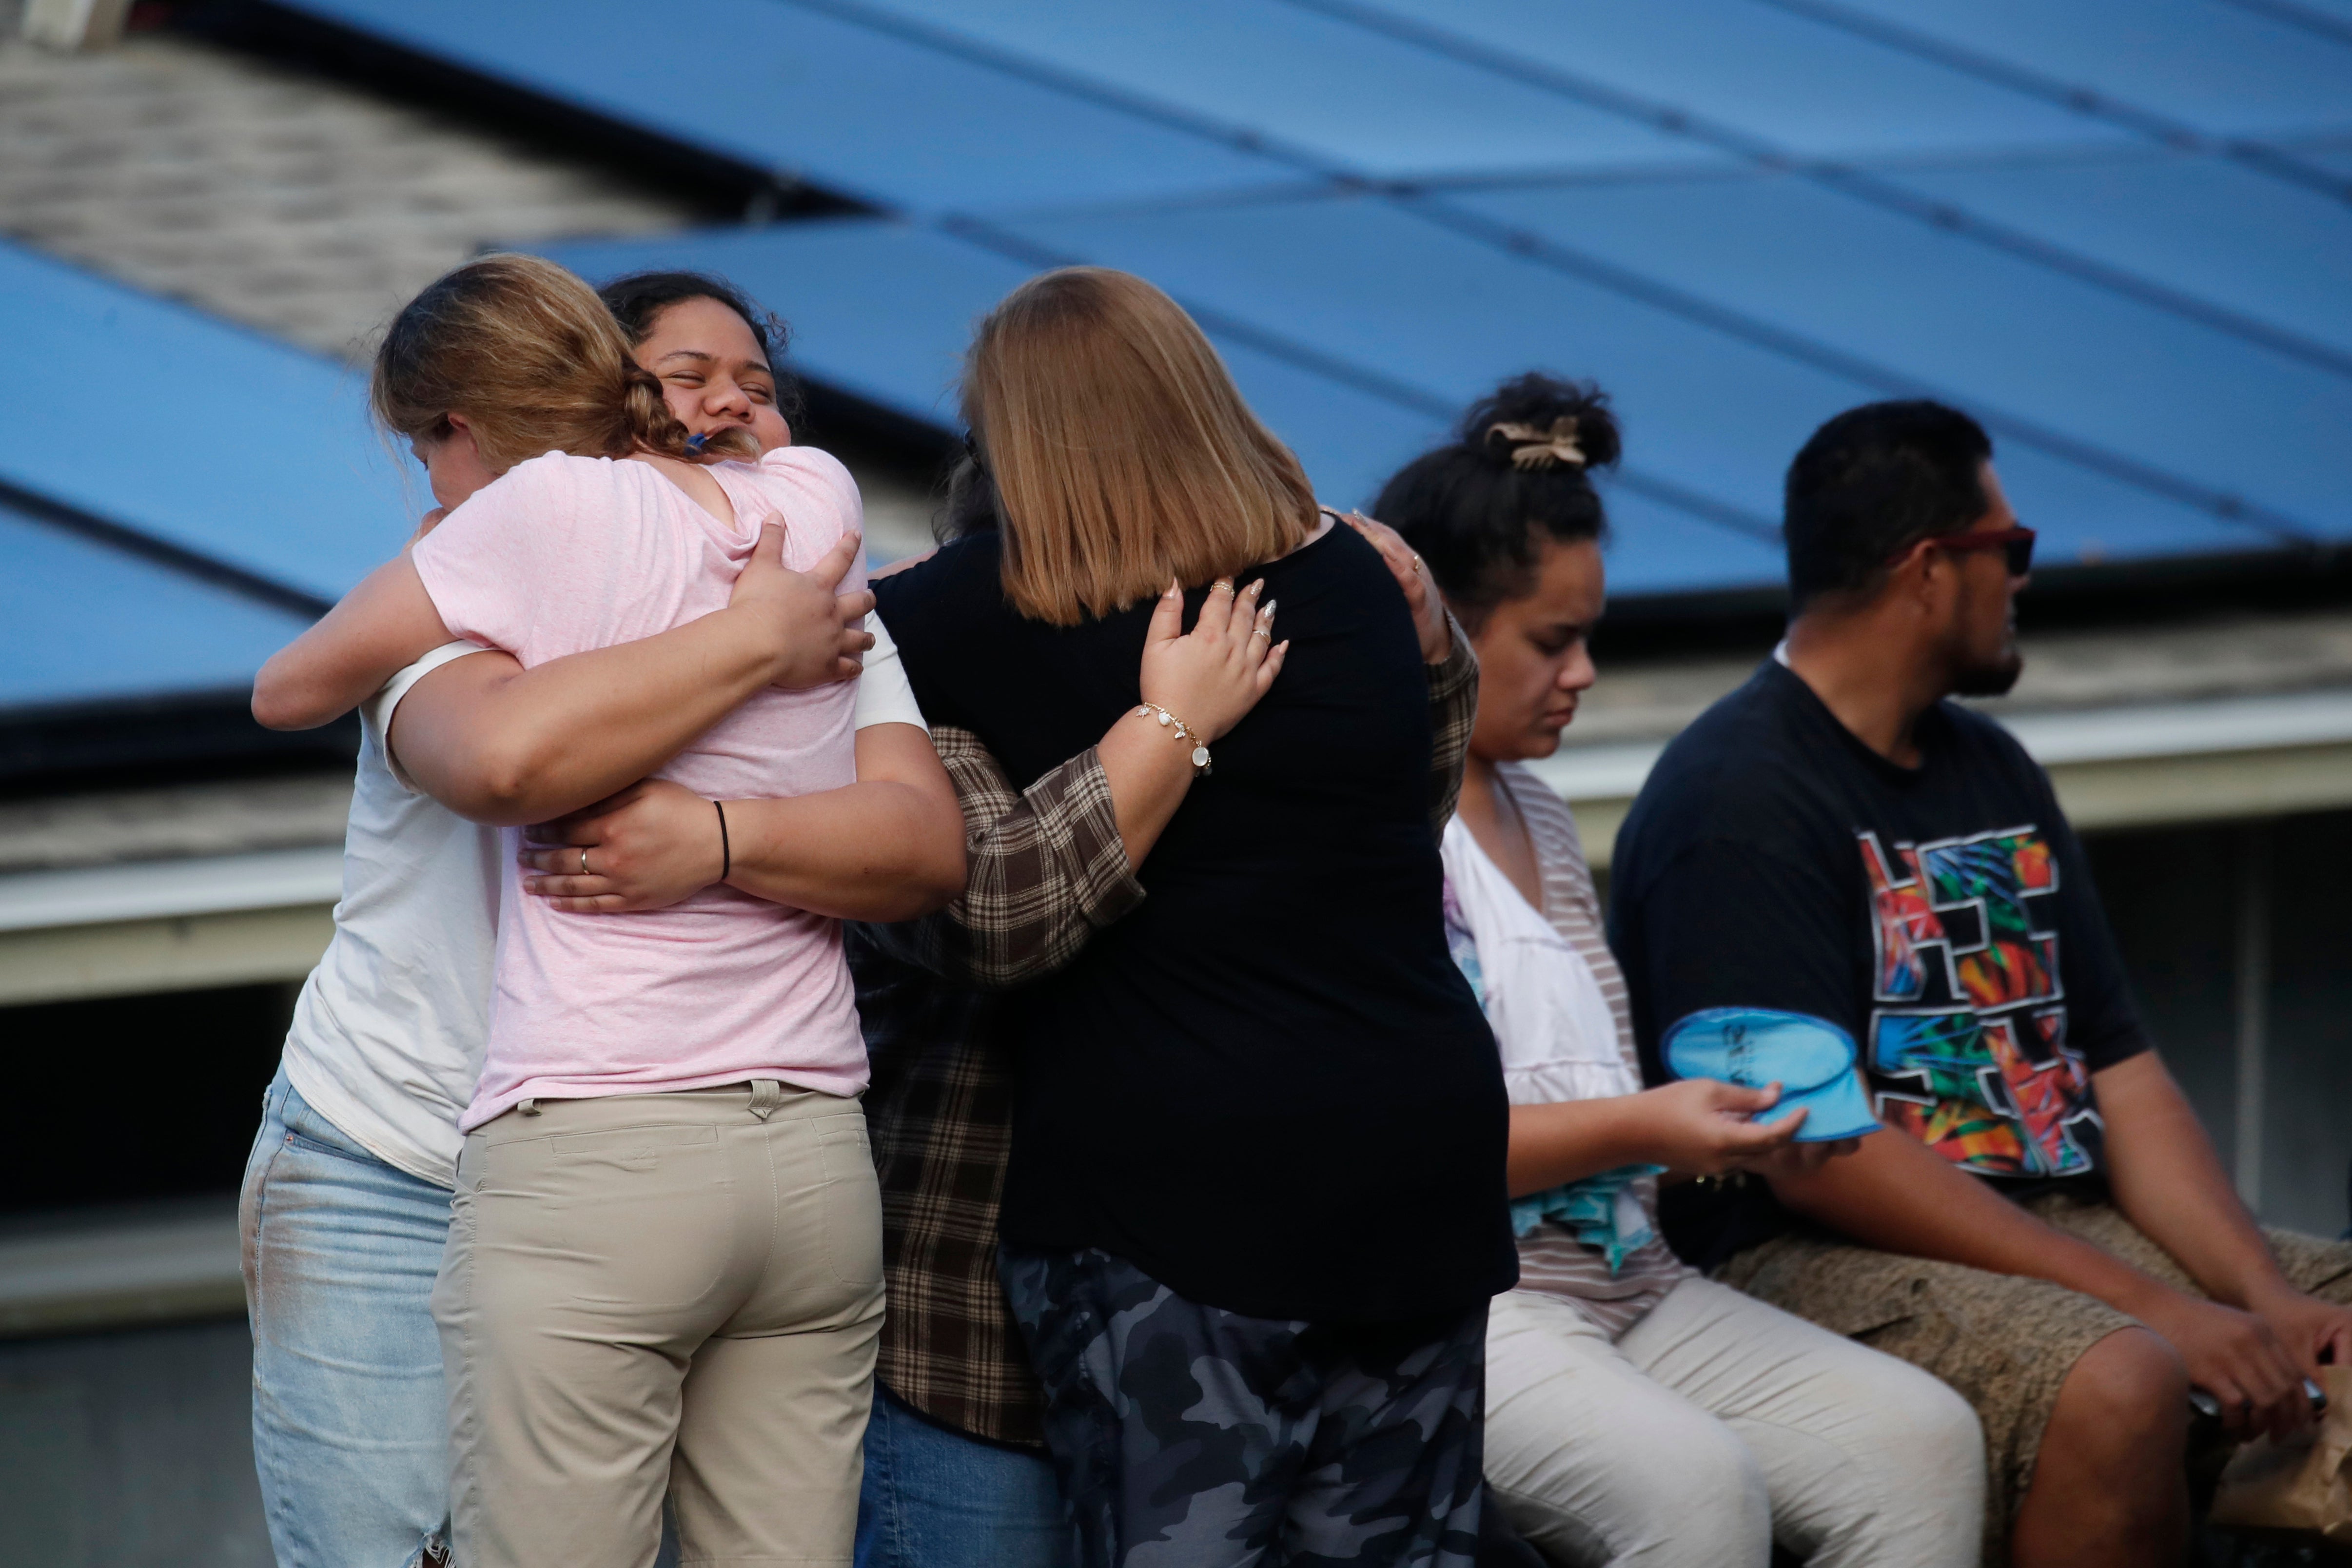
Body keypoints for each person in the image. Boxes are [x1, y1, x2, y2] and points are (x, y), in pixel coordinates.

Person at [252, 253, 966, 1568]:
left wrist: (719, 839)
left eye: (758, 383)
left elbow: (921, 843)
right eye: (691, 377)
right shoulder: (517, 575)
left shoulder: (792, 566)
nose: (733, 407)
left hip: (631, 1140)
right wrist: (754, 643)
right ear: (611, 389)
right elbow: (510, 763)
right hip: (401, 1149)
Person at [1607, 399, 2352, 1568]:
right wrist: (2157, 1309)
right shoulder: (1735, 801)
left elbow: (2120, 1067)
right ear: (1928, 570)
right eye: (2012, 551)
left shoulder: (1993, 765)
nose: (2021, 580)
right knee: (2117, 1377)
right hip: (1803, 1255)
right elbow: (1816, 1155)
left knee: (2339, 1313)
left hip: (2053, 1219)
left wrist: (2266, 1295)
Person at [863, 267, 1513, 1568]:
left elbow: (982, 919)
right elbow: (1418, 789)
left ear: (1014, 434)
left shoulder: (950, 622)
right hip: (1422, 1166)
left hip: (1180, 1204)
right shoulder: (1360, 577)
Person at [1379, 375, 1986, 1568]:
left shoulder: (1542, 815)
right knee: (1693, 1490)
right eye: (1554, 641)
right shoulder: (1366, 829)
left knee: (1925, 1440)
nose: (1586, 673)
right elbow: (1402, 1148)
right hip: (1465, 1309)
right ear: (1439, 625)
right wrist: (1654, 1127)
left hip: (1631, 1280)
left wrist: (1738, 1111)